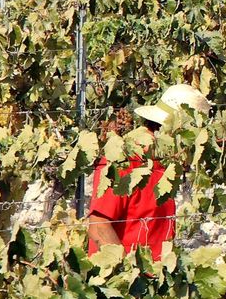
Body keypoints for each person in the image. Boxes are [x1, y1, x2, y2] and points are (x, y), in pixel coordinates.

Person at [86, 84, 206, 261]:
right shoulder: (125, 160)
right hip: (124, 282)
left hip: (156, 279)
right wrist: (128, 276)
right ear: (179, 129)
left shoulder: (165, 164)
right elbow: (98, 227)